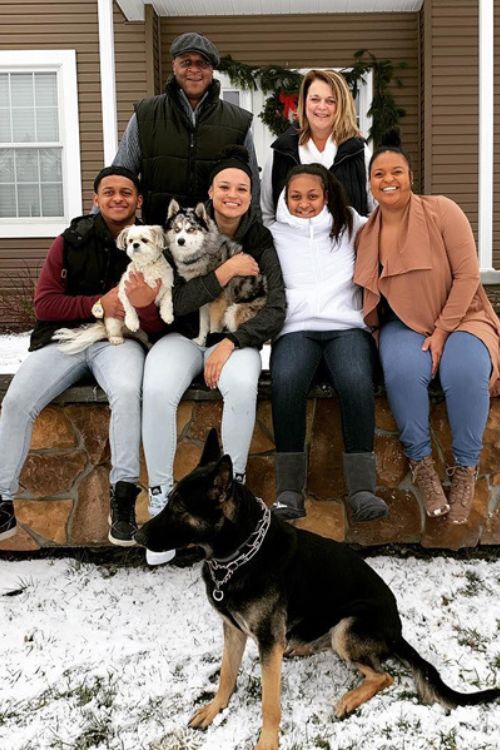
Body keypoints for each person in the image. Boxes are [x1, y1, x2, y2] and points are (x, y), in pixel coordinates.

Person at [0, 167, 165, 547]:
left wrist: (143, 306)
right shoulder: (69, 240)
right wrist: (97, 304)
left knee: (126, 392)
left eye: (127, 192)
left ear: (138, 201)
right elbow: (44, 304)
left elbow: (155, 323)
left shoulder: (150, 244)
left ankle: (123, 498)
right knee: (17, 400)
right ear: (95, 198)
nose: (118, 198)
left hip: (119, 341)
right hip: (64, 339)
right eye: (109, 192)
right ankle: (3, 500)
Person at [141, 145, 286, 564]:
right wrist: (222, 273)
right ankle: (161, 498)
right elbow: (177, 301)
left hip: (235, 337)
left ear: (250, 194)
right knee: (157, 389)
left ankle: (233, 499)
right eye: (225, 185)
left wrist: (232, 341)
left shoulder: (259, 239)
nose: (233, 194)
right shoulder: (176, 233)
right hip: (184, 335)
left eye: (242, 187)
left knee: (241, 386)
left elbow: (275, 306)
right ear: (211, 192)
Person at [354, 138, 500, 525]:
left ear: (411, 177)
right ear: (370, 183)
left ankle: (465, 471)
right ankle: (422, 465)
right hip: (404, 323)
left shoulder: (443, 211)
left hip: (463, 315)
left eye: (396, 172)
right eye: (379, 174)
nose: (388, 180)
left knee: (465, 372)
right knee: (402, 372)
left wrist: (441, 332)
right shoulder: (367, 234)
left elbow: (468, 275)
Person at [269, 163, 388, 523]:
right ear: (284, 198)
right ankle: (289, 490)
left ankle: (362, 489)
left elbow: (396, 228)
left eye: (312, 196)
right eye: (296, 197)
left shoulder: (353, 225)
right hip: (296, 328)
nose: (304, 204)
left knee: (355, 381)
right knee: (286, 381)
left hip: (346, 326)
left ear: (327, 195)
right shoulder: (273, 234)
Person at [112, 31, 261, 223]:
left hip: (216, 243)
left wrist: (257, 239)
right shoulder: (146, 116)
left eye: (202, 63)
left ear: (212, 70)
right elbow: (118, 178)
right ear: (174, 65)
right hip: (160, 239)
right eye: (186, 62)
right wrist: (92, 227)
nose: (194, 70)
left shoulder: (238, 122)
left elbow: (252, 190)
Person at [261, 68, 374, 227]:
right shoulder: (281, 152)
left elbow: (375, 212)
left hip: (348, 250)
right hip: (292, 250)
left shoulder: (359, 152)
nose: (322, 107)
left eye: (330, 101)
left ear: (341, 106)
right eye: (315, 99)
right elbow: (267, 214)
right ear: (304, 102)